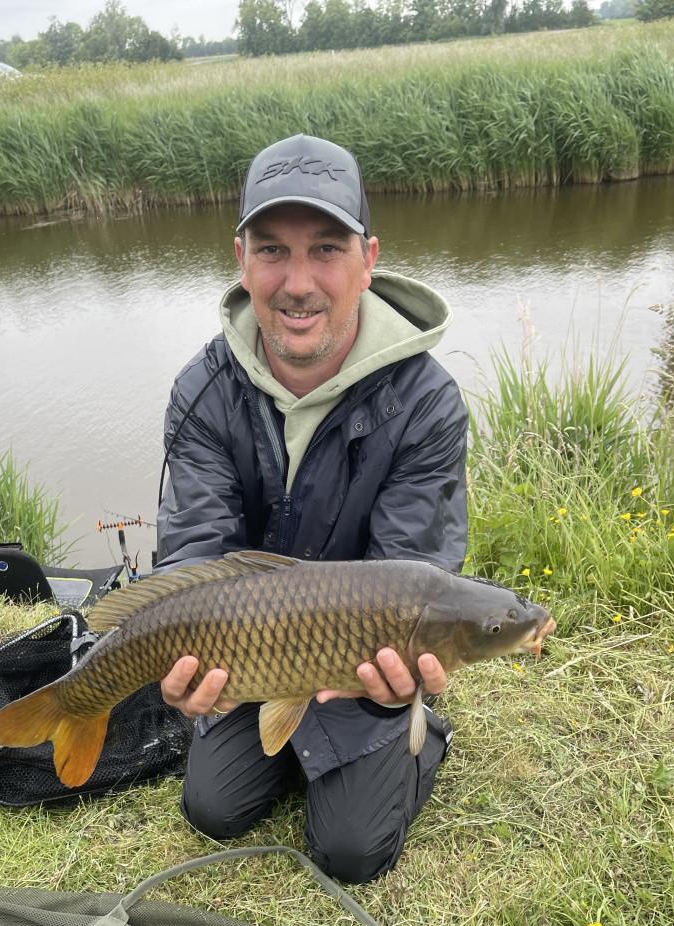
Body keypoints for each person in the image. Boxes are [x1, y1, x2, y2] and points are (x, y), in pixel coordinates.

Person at [156, 134, 468, 883]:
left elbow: (418, 581)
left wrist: (404, 683)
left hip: (363, 661)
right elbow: (195, 554)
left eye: (326, 249)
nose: (298, 282)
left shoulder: (425, 403)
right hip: (250, 653)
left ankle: (426, 733)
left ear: (369, 259)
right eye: (273, 251)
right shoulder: (202, 392)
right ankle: (288, 739)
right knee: (213, 809)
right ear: (242, 260)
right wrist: (174, 663)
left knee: (351, 851)